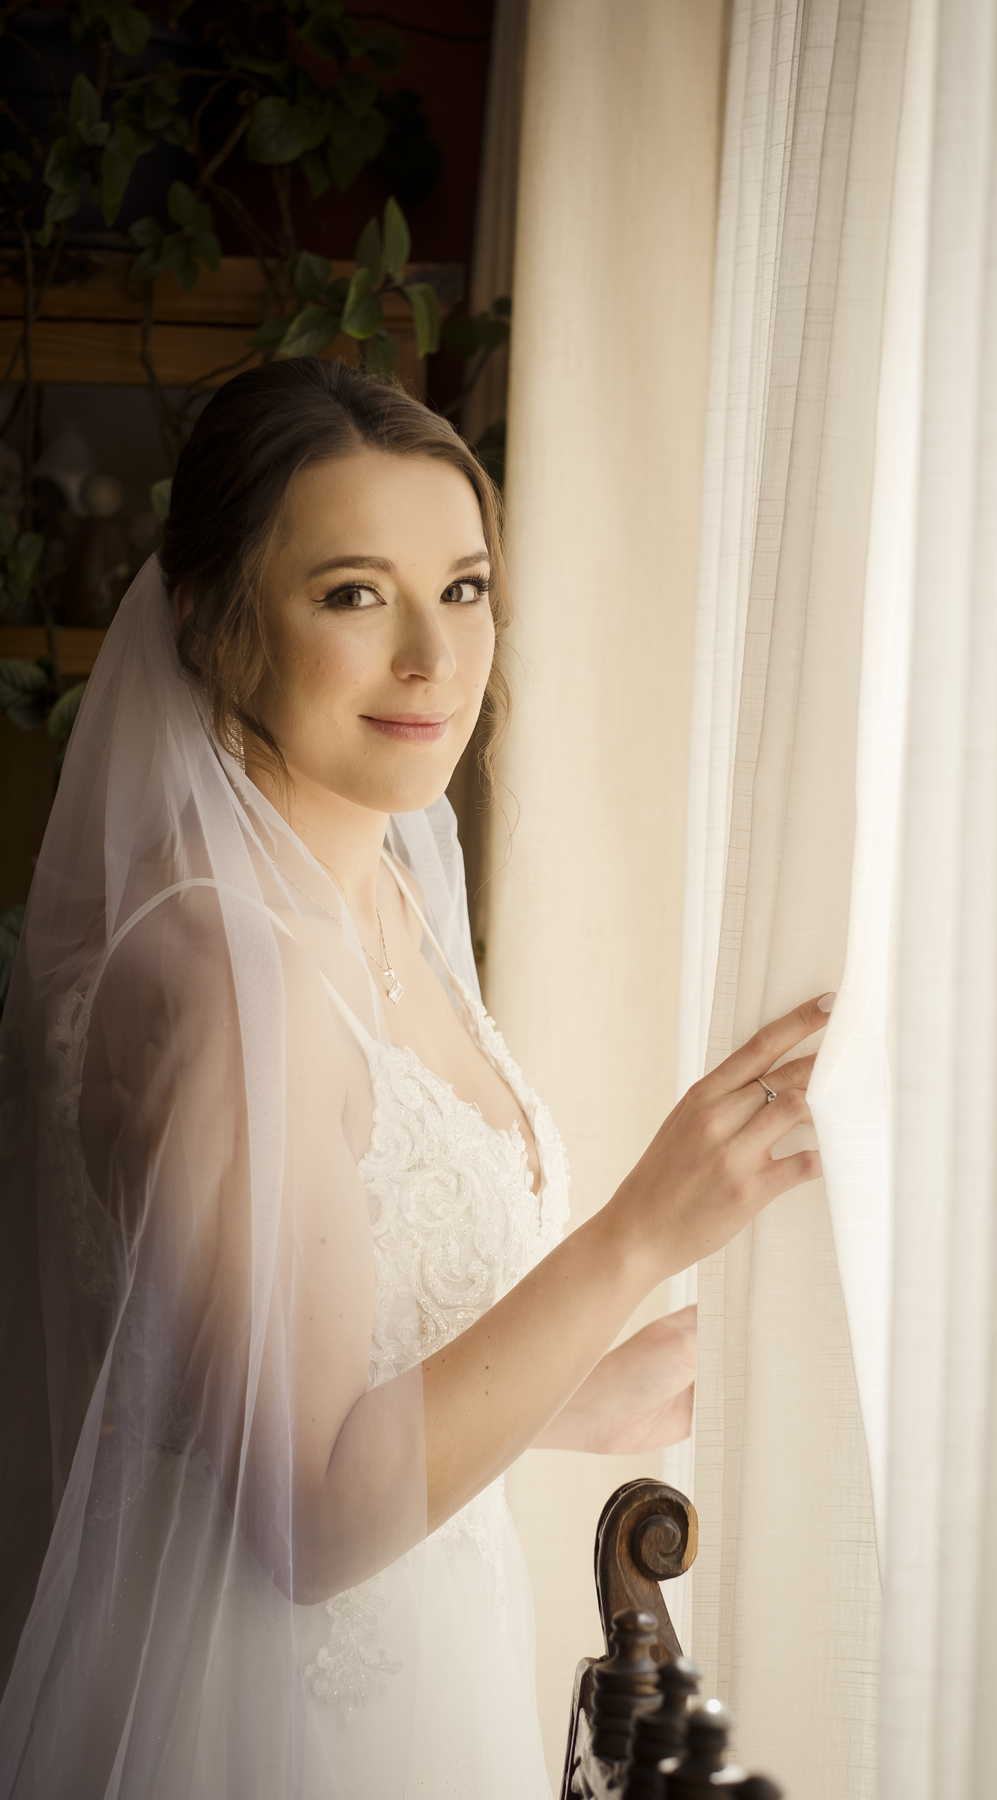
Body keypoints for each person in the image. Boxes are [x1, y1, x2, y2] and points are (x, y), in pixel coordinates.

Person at [0, 358, 828, 1798]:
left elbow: (249, 1383)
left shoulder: (372, 885)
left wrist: (572, 1389)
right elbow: (308, 1517)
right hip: (267, 1730)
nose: (434, 660)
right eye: (352, 594)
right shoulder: (218, 969)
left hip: (427, 1676)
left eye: (463, 588)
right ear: (207, 620)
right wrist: (638, 1231)